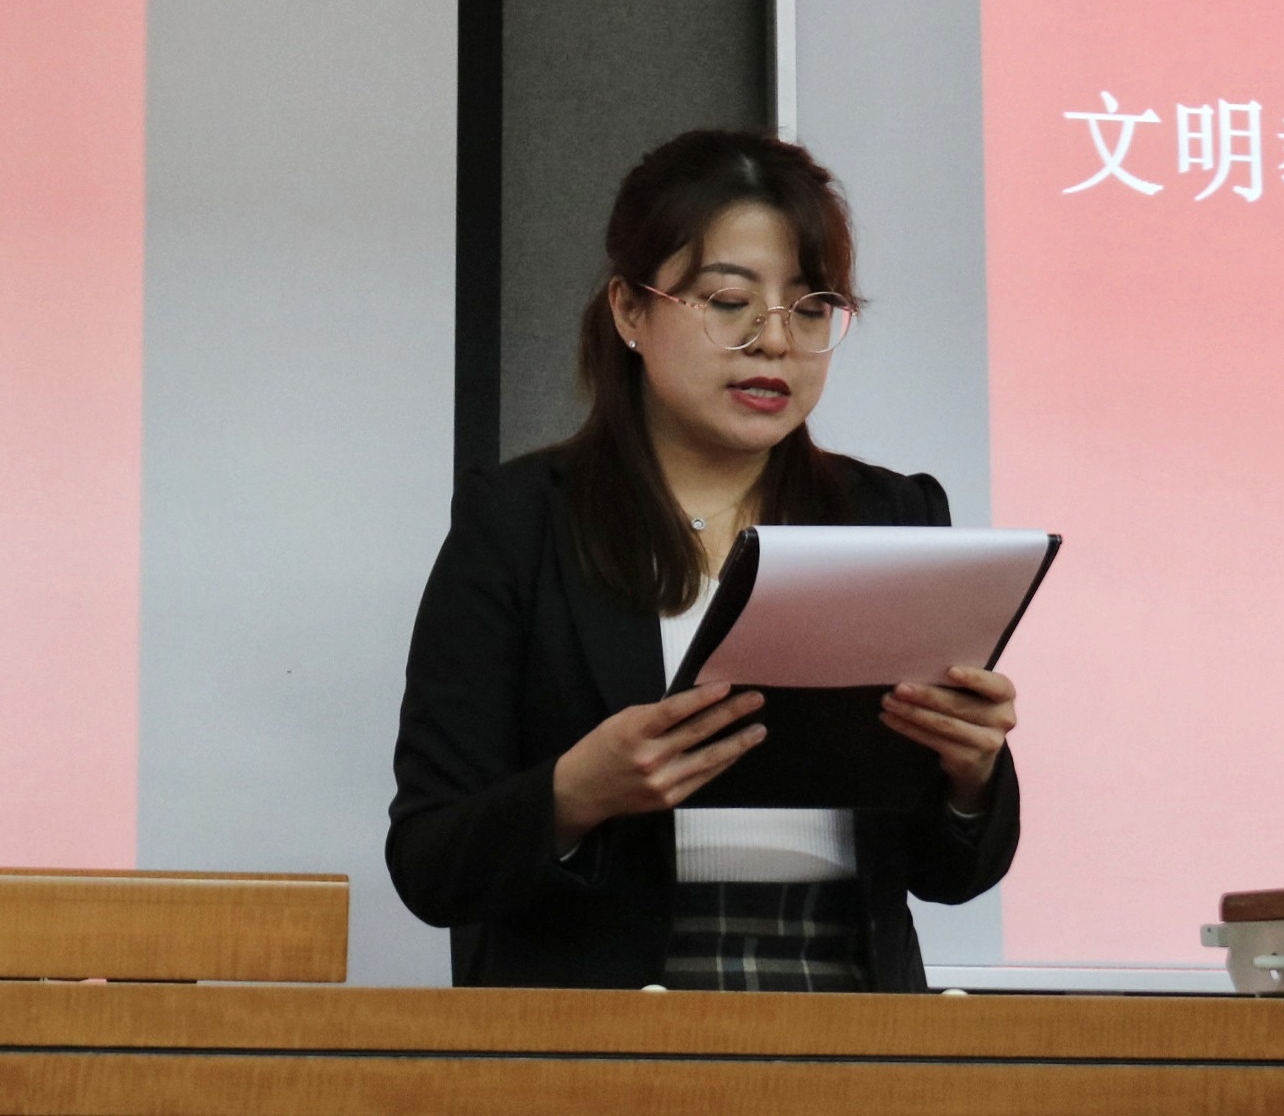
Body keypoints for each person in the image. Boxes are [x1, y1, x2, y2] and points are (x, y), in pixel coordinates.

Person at [387, 128, 1020, 991]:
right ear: (630, 312)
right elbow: (429, 863)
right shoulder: (520, 522)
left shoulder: (890, 518)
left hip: (850, 1009)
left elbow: (951, 874)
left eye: (810, 308)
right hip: (596, 1020)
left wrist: (970, 772)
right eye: (729, 301)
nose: (775, 341)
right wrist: (579, 792)